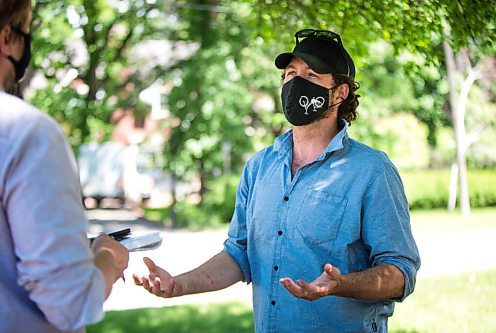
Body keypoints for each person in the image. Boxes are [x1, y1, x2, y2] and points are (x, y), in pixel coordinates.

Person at [134, 29, 420, 333]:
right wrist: (179, 284)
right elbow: (238, 254)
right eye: (290, 73)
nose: (296, 83)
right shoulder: (259, 168)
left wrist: (340, 285)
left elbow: (400, 273)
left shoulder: (371, 170)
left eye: (311, 75)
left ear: (340, 93)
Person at [0, 2, 129, 332]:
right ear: (7, 38)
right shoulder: (24, 131)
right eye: (26, 31)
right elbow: (69, 302)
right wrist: (106, 257)